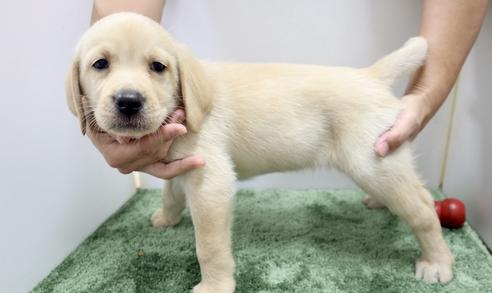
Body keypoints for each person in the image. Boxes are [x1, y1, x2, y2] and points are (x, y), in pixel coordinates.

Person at [89, 0, 489, 178]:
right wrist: (95, 126)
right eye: (101, 65)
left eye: (157, 67)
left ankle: (431, 239)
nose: (128, 90)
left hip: (350, 100)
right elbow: (120, 26)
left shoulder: (193, 84)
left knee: (378, 170)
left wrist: (423, 95)